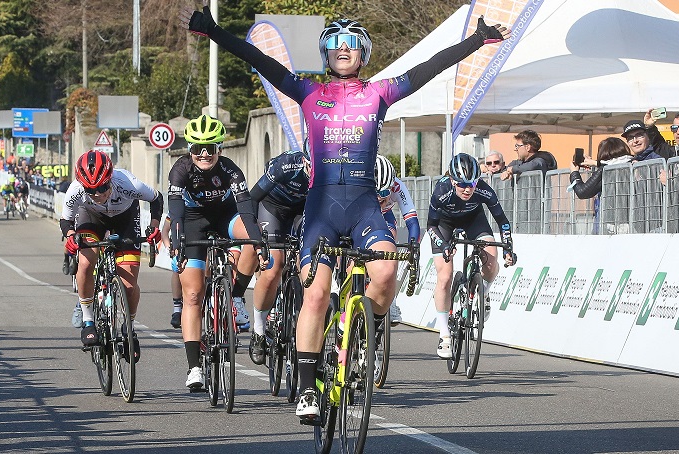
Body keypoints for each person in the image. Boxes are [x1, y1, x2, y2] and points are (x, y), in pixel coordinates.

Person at [183, 7, 511, 420]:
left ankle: (361, 328)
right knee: (316, 294)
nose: (343, 51)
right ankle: (305, 390)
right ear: (325, 54)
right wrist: (214, 31)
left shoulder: (380, 93)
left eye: (351, 46)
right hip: (321, 210)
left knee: (386, 273)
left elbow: (429, 67)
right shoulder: (307, 92)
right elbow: (260, 61)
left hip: (363, 207)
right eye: (335, 46)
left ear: (363, 55)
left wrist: (476, 40)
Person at [168, 115, 265, 390]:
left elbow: (246, 209)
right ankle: (194, 367)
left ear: (219, 149)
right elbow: (175, 210)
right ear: (190, 149)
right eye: (198, 148)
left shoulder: (231, 170)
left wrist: (258, 243)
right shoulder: (180, 170)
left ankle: (235, 298)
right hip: (193, 220)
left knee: (251, 237)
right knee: (194, 294)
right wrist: (177, 240)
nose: (204, 154)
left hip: (226, 216)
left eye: (210, 148)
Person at [62, 150, 163, 364]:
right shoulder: (76, 190)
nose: (98, 194)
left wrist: (154, 227)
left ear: (110, 179)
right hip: (91, 218)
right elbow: (66, 220)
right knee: (86, 263)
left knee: (128, 285)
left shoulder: (127, 182)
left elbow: (156, 199)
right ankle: (88, 319)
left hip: (125, 218)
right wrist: (71, 236)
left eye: (102, 187)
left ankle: (129, 327)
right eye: (91, 190)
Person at [428, 153, 516, 358]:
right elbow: (431, 226)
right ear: (452, 180)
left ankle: (483, 292)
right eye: (461, 184)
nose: (468, 189)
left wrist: (508, 247)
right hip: (444, 225)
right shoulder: (441, 191)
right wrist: (443, 245)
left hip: (474, 220)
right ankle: (445, 335)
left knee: (492, 262)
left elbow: (502, 221)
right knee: (445, 277)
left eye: (472, 184)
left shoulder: (484, 190)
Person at [247, 149, 310, 365]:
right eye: (310, 167)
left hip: (304, 210)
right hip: (272, 207)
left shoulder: (329, 169)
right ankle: (258, 330)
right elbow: (253, 197)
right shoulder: (286, 165)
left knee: (309, 264)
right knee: (274, 267)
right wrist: (255, 234)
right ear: (304, 161)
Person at [375, 154, 419, 326]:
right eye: (376, 192)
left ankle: (391, 301)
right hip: (361, 215)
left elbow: (412, 221)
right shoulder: (361, 184)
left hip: (385, 216)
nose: (380, 197)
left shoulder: (398, 186)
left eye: (385, 192)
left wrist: (413, 247)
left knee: (390, 240)